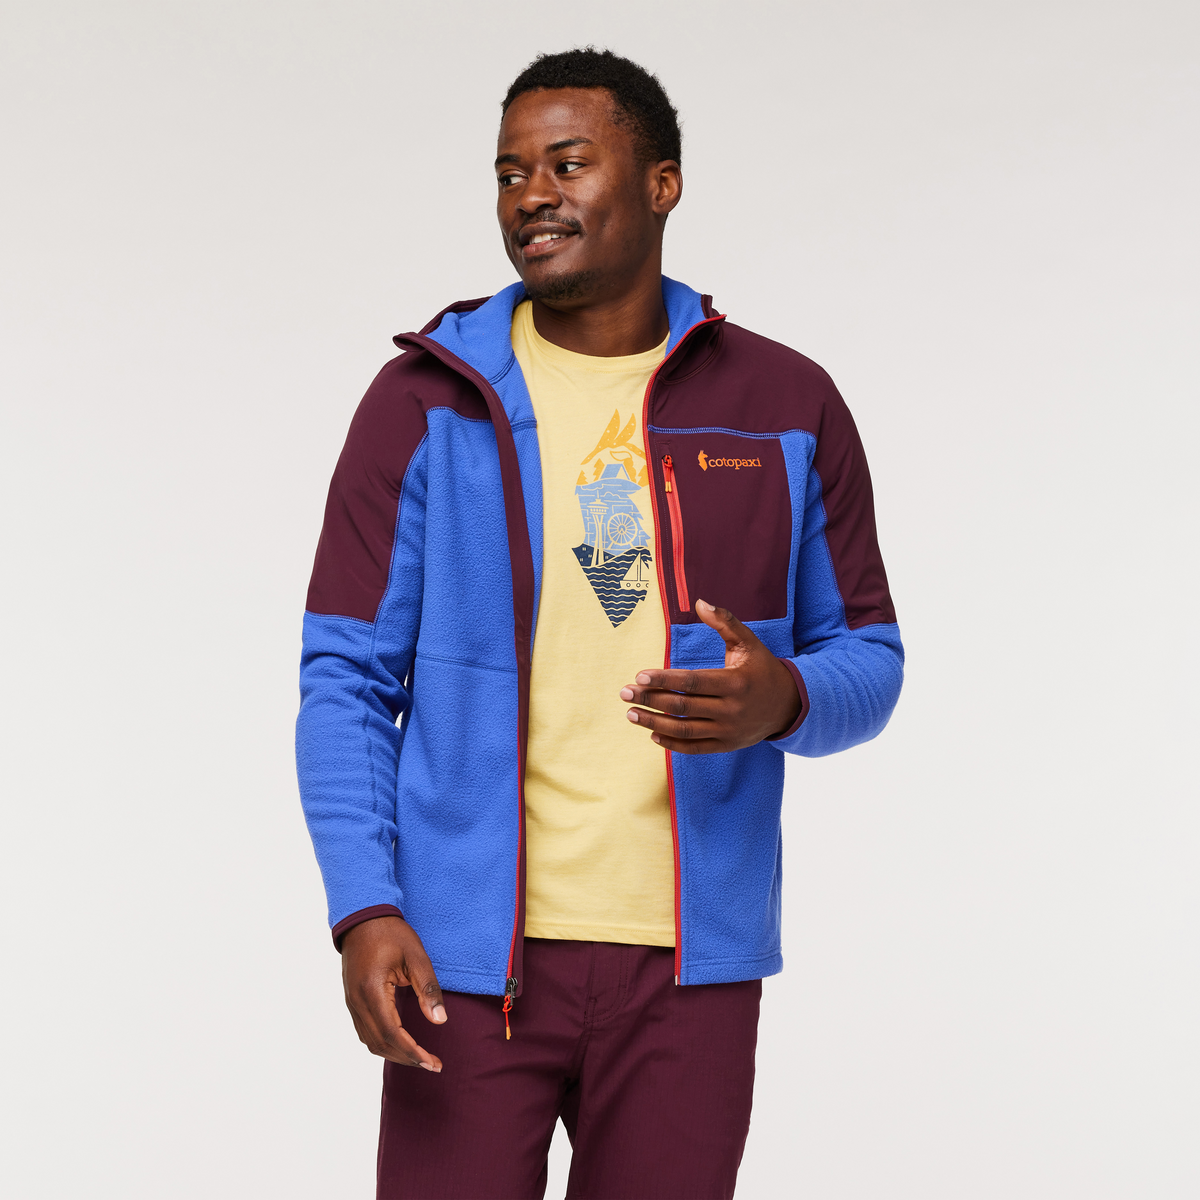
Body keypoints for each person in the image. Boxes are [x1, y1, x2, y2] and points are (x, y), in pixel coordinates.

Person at [297, 47, 903, 1200]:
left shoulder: (784, 404)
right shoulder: (424, 401)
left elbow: (870, 656)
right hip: (463, 964)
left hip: (691, 969)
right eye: (509, 172)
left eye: (567, 164)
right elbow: (344, 678)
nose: (532, 194)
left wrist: (786, 698)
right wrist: (364, 906)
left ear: (663, 183)